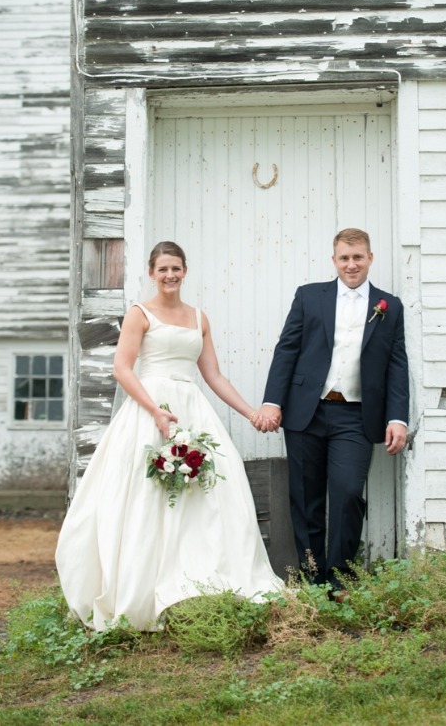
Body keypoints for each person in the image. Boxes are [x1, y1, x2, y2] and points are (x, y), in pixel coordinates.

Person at [56, 241, 283, 631]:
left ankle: (201, 580)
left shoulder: (199, 318)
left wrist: (249, 412)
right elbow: (123, 369)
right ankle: (142, 588)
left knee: (208, 497)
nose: (170, 275)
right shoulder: (139, 314)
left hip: (193, 408)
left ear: (185, 270)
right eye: (163, 269)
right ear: (151, 273)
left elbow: (213, 375)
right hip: (151, 409)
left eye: (176, 268)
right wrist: (155, 411)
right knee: (146, 499)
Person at [252, 228, 409, 590]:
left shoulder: (390, 306)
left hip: (356, 416)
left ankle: (340, 579)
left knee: (349, 492)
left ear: (370, 258)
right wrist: (272, 401)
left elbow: (396, 364)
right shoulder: (309, 297)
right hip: (306, 412)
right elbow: (287, 349)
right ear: (334, 260)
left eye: (357, 257)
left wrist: (397, 417)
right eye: (344, 257)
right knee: (306, 498)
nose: (351, 264)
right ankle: (312, 579)